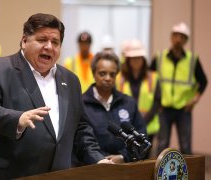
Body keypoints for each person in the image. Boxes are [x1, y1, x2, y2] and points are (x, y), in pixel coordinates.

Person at [0, 13, 111, 180]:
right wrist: (18, 119)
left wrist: (98, 159)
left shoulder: (70, 80)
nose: (49, 47)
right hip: (8, 174)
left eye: (55, 42)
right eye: (42, 40)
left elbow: (80, 129)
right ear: (24, 41)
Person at [150, 22, 208, 155]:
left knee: (186, 145)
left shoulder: (192, 60)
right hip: (163, 109)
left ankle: (187, 174)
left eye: (182, 37)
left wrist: (195, 100)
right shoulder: (159, 57)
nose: (178, 39)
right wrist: (155, 102)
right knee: (162, 144)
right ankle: (158, 174)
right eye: (176, 35)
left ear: (186, 40)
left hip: (184, 110)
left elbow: (203, 81)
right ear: (171, 37)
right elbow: (150, 80)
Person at [83, 52, 147, 163]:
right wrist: (99, 159)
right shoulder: (81, 103)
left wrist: (123, 157)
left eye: (112, 74)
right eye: (102, 73)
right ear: (94, 74)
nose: (108, 78)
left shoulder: (128, 102)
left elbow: (141, 135)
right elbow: (81, 141)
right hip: (93, 168)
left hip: (125, 167)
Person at [116, 39, 160, 150]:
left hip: (148, 126)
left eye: (139, 57)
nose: (136, 61)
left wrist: (142, 122)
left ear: (143, 59)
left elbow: (157, 102)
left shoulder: (153, 77)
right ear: (128, 60)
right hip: (127, 127)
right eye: (133, 58)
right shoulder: (120, 78)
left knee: (145, 159)